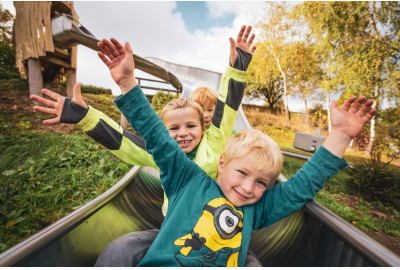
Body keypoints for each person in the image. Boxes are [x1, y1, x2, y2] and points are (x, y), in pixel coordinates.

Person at [91, 32, 376, 266]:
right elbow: (158, 138)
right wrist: (127, 83)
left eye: (262, 182)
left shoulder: (258, 209)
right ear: (223, 164)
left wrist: (339, 136)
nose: (249, 187)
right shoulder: (187, 180)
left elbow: (301, 187)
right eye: (242, 172)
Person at [31, 25, 262, 266]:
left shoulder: (214, 145)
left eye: (190, 127)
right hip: (177, 232)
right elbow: (121, 141)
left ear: (203, 129)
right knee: (120, 249)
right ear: (164, 132)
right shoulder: (163, 155)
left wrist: (237, 68)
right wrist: (85, 117)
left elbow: (226, 110)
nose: (183, 133)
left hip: (226, 235)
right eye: (174, 129)